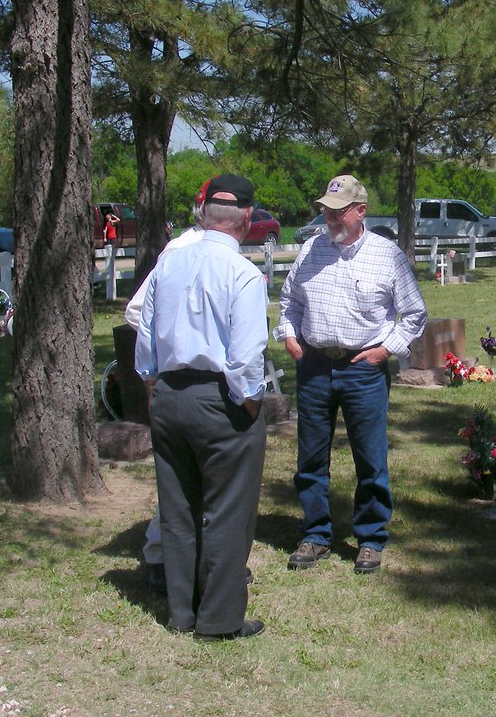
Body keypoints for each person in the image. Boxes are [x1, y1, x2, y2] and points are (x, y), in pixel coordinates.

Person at [135, 174, 268, 641]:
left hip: (169, 393)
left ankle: (182, 611)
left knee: (179, 509)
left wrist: (153, 383)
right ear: (248, 219)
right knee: (228, 510)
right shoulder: (244, 274)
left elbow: (145, 332)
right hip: (219, 398)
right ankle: (218, 619)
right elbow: (246, 355)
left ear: (205, 214)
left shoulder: (167, 264)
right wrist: (250, 403)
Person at [274, 175, 426, 574]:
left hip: (363, 369)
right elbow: (289, 300)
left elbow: (413, 313)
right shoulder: (311, 249)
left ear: (361, 211)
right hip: (314, 366)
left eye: (338, 211)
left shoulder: (386, 255)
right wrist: (289, 334)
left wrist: (385, 350)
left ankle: (371, 539)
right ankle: (315, 535)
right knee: (310, 457)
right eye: (326, 210)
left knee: (370, 458)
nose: (330, 218)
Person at [125, 186, 208, 594]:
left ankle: (200, 563)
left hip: (211, 387)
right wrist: (157, 369)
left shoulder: (218, 249)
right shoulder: (183, 249)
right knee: (179, 482)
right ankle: (160, 559)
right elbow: (138, 309)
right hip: (182, 384)